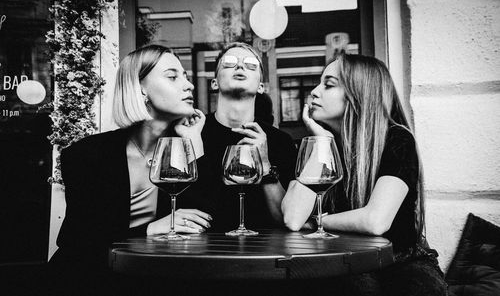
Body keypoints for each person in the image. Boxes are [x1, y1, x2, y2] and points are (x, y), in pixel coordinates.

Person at [48, 45, 213, 294]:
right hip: (85, 281)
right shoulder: (87, 155)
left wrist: (193, 144)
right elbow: (79, 241)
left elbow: (206, 220)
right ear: (140, 88)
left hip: (153, 279)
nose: (188, 85)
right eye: (172, 76)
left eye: (186, 76)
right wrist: (149, 230)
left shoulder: (184, 147)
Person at [281, 53, 447, 296]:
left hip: (401, 260)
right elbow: (293, 219)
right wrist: (323, 143)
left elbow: (375, 220)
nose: (315, 92)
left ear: (358, 94)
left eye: (328, 84)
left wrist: (318, 221)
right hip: (343, 261)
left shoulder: (397, 140)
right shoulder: (319, 148)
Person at [201, 42, 296, 232]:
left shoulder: (281, 142)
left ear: (261, 86)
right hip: (202, 252)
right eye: (229, 63)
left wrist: (265, 164)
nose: (240, 66)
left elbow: (287, 219)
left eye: (251, 65)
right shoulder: (194, 133)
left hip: (265, 253)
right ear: (214, 82)